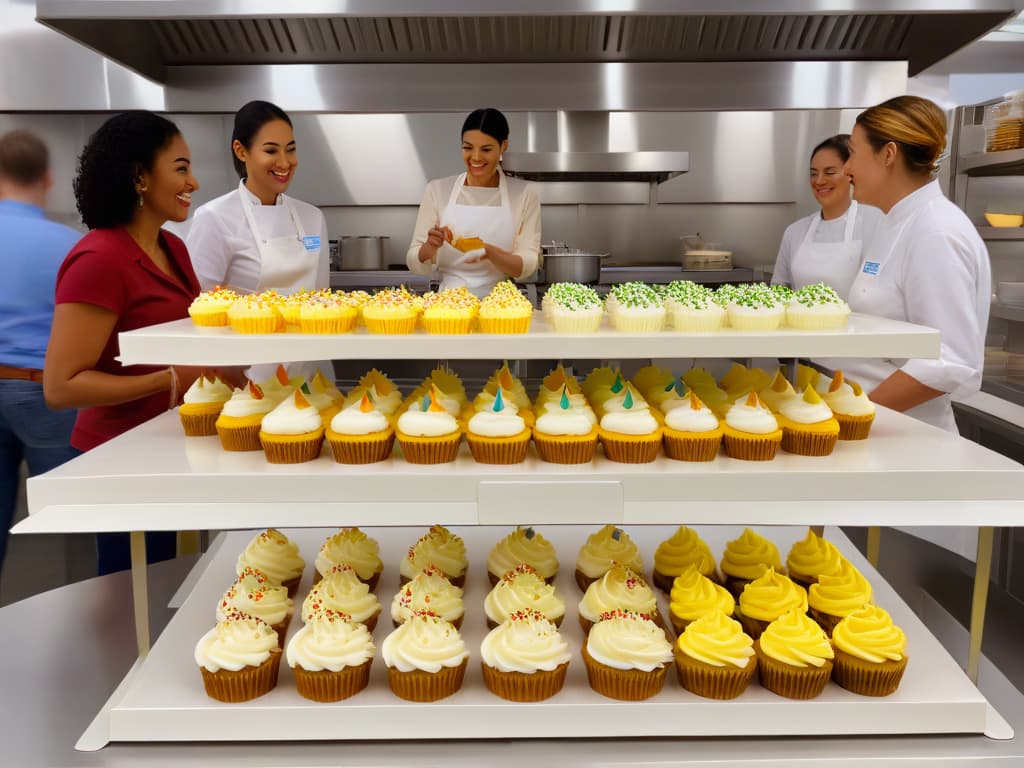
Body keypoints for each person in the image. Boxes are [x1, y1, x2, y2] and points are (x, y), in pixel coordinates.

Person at [43, 111, 205, 575]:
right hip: (119, 458)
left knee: (167, 582)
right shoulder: (100, 258)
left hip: (167, 448)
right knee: (129, 593)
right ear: (139, 176)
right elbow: (62, 386)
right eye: (180, 168)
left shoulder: (174, 249)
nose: (193, 181)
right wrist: (170, 378)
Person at [839, 95, 990, 435]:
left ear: (888, 154)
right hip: (877, 426)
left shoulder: (936, 231)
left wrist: (858, 415)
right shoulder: (897, 223)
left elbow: (950, 360)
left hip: (907, 433)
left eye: (852, 152)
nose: (846, 168)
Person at [0, 130, 80, 576]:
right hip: (44, 394)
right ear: (47, 179)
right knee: (70, 517)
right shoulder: (66, 245)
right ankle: (83, 617)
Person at [186, 100, 329, 294]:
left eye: (290, 149)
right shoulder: (214, 217)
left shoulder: (312, 217)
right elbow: (199, 303)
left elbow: (323, 299)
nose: (285, 163)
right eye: (271, 150)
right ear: (241, 151)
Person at [407, 108, 541, 297]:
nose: (475, 157)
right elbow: (414, 261)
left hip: (501, 307)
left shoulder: (525, 194)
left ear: (503, 146)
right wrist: (429, 248)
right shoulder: (437, 190)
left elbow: (527, 266)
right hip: (449, 308)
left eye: (486, 149)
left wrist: (489, 251)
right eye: (468, 148)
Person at [773, 134, 882, 298]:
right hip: (801, 323)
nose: (819, 181)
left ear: (850, 173)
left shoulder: (875, 224)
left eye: (830, 172)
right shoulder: (795, 232)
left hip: (857, 324)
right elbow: (779, 291)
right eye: (813, 173)